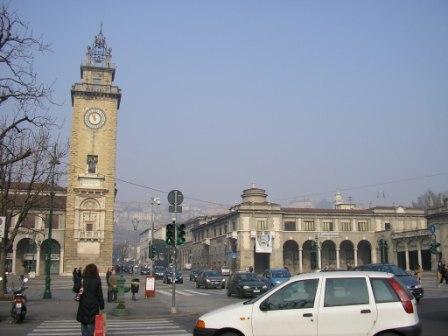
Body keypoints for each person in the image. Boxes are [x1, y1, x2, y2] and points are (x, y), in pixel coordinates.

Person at [76, 264, 104, 336]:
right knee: (91, 322)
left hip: (83, 304)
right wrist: (102, 306)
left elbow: (75, 289)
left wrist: (79, 280)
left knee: (83, 321)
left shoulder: (83, 279)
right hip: (94, 305)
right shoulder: (97, 280)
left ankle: (84, 334)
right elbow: (99, 294)